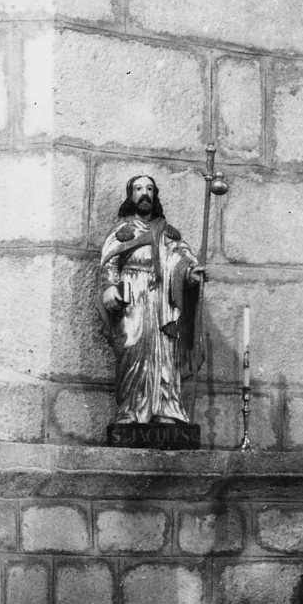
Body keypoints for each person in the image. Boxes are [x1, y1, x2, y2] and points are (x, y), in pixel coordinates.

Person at [98, 172, 205, 425]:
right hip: (132, 298)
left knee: (165, 352)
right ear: (130, 196)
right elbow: (109, 263)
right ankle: (130, 409)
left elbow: (182, 258)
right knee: (132, 346)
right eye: (138, 189)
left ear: (155, 195)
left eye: (149, 189)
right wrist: (109, 287)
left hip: (163, 301)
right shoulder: (122, 231)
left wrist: (190, 273)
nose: (144, 193)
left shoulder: (167, 233)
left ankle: (165, 409)